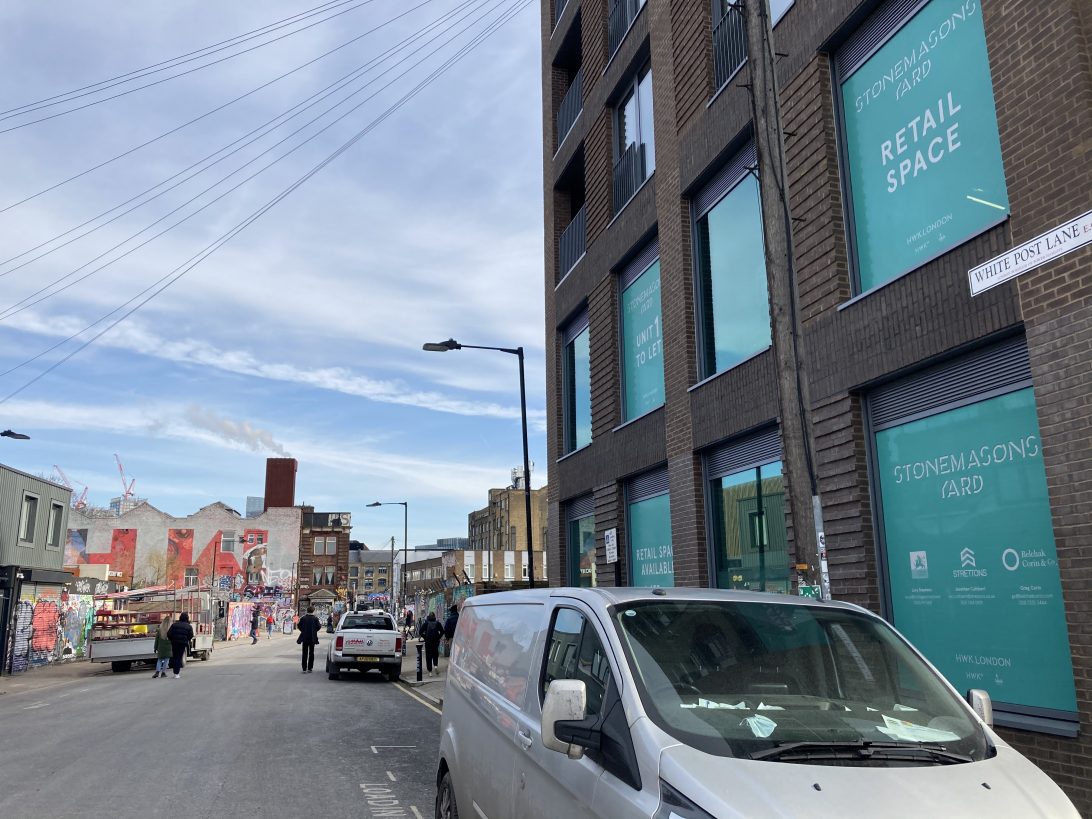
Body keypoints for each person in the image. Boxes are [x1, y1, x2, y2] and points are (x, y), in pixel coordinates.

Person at [166, 612, 194, 679]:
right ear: (187, 618)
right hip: (182, 643)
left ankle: (175, 672)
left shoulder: (174, 625)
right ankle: (176, 673)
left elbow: (169, 634)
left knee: (175, 657)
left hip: (174, 643)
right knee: (179, 657)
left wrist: (172, 639)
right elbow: (191, 635)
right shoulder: (188, 626)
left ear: (180, 617)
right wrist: (186, 639)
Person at [296, 606, 321, 673]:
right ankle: (310, 668)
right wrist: (314, 631)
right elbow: (319, 627)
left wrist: (303, 631)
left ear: (307, 611)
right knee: (311, 653)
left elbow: (299, 626)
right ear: (313, 611)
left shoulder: (303, 618)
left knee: (304, 653)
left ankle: (304, 668)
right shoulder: (315, 618)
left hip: (304, 637)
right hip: (312, 638)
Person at [422, 611, 444, 677]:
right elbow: (442, 631)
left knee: (428, 656)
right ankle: (436, 666)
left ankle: (430, 671)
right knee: (435, 654)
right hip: (435, 642)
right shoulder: (438, 623)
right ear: (434, 617)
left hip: (428, 642)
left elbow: (420, 631)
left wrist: (425, 637)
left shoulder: (426, 624)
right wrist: (438, 637)